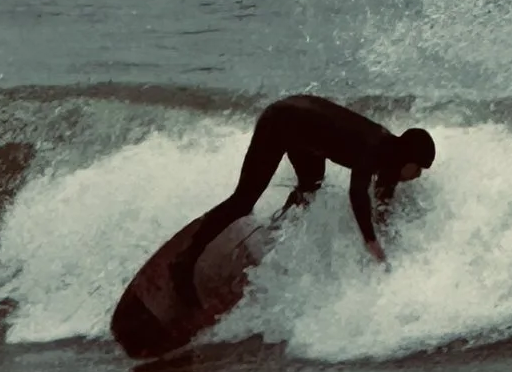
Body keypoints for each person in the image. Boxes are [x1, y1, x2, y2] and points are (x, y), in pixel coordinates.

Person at [183, 94, 436, 278]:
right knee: (243, 201)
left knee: (310, 187)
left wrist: (387, 241)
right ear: (407, 159)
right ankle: (185, 260)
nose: (418, 175)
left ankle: (272, 232)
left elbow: (382, 204)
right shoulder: (374, 148)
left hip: (306, 135)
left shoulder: (391, 164)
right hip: (281, 121)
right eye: (419, 168)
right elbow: (357, 193)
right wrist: (371, 241)